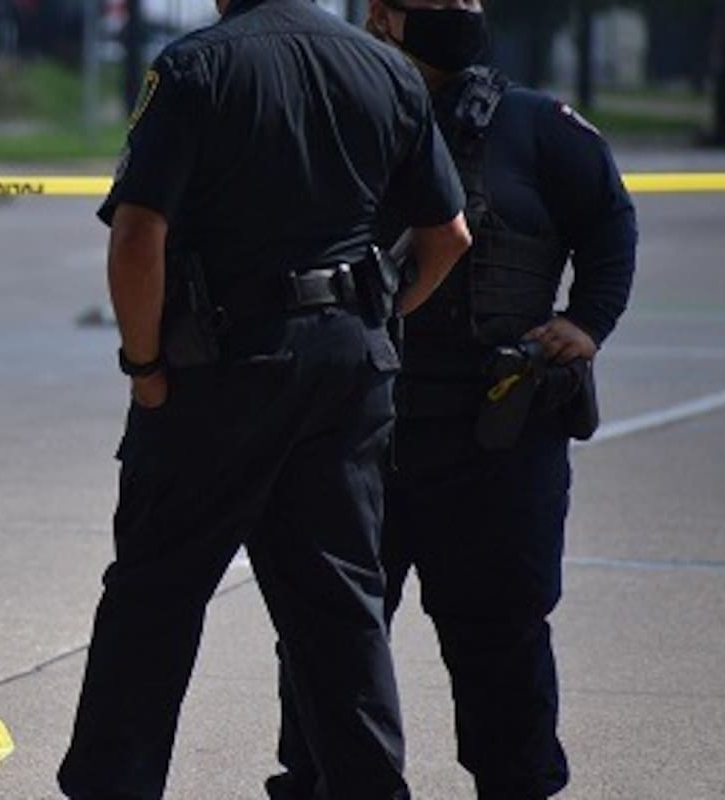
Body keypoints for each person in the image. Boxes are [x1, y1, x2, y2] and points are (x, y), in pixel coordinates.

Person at [55, 0, 472, 795]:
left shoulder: (195, 67)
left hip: (221, 368)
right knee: (342, 606)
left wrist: (144, 367)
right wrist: (374, 314)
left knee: (156, 595)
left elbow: (139, 236)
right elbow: (448, 236)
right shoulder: (386, 67)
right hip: (347, 369)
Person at [268, 2, 638, 799]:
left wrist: (587, 320)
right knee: (329, 635)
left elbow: (609, 220)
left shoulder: (536, 126)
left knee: (500, 637)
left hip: (497, 436)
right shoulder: (336, 115)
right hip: (357, 431)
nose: (464, 13)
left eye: (472, 0)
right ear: (384, 18)